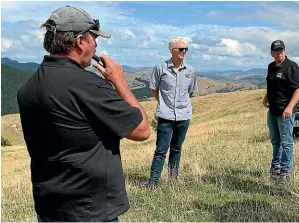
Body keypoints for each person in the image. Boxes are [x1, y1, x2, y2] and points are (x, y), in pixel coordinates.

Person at [16, 5, 151, 222]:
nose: (96, 44)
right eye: (94, 38)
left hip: (49, 208)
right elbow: (142, 131)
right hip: (90, 210)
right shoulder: (89, 86)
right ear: (80, 41)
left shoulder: (29, 87)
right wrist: (119, 81)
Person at [142, 38, 198, 188]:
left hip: (184, 115)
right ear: (171, 50)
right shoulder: (160, 68)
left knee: (176, 148)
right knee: (161, 150)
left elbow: (190, 92)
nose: (184, 52)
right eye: (181, 49)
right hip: (165, 115)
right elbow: (154, 90)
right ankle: (153, 182)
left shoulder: (190, 70)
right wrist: (164, 104)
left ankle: (173, 179)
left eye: (186, 49)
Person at [263, 40, 299, 184]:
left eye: (281, 50)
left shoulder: (291, 67)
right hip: (272, 111)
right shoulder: (271, 66)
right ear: (272, 53)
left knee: (286, 143)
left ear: (285, 51)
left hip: (285, 112)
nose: (279, 53)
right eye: (276, 50)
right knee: (275, 141)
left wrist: (289, 107)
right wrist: (266, 97)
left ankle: (285, 173)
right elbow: (271, 85)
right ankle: (276, 168)